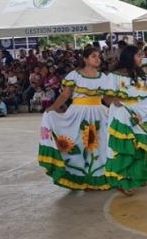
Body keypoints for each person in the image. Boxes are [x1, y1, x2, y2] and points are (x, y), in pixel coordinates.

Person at [104, 46, 147, 196]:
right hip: (122, 114)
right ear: (129, 56)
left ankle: (136, 175)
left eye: (141, 55)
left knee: (141, 144)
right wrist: (115, 100)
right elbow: (106, 97)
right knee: (126, 147)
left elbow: (141, 91)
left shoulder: (140, 72)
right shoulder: (114, 75)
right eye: (138, 55)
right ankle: (121, 181)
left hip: (139, 111)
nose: (141, 58)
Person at [38, 48, 112, 191]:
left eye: (99, 56)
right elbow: (65, 95)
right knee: (78, 143)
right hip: (78, 114)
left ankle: (96, 176)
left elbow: (106, 98)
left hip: (99, 113)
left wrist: (120, 107)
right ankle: (78, 176)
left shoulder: (103, 77)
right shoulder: (74, 75)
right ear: (85, 59)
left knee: (99, 146)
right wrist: (53, 108)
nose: (98, 59)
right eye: (93, 56)